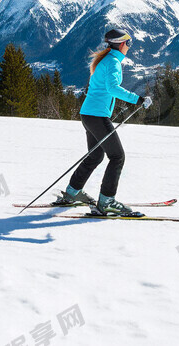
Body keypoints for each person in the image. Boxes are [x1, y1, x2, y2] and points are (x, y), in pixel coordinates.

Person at [56, 29, 152, 216]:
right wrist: (137, 99)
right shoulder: (113, 62)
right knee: (117, 156)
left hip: (89, 114)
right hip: (97, 116)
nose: (129, 48)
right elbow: (112, 88)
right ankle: (107, 201)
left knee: (95, 156)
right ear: (122, 44)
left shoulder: (106, 60)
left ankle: (72, 193)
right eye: (129, 43)